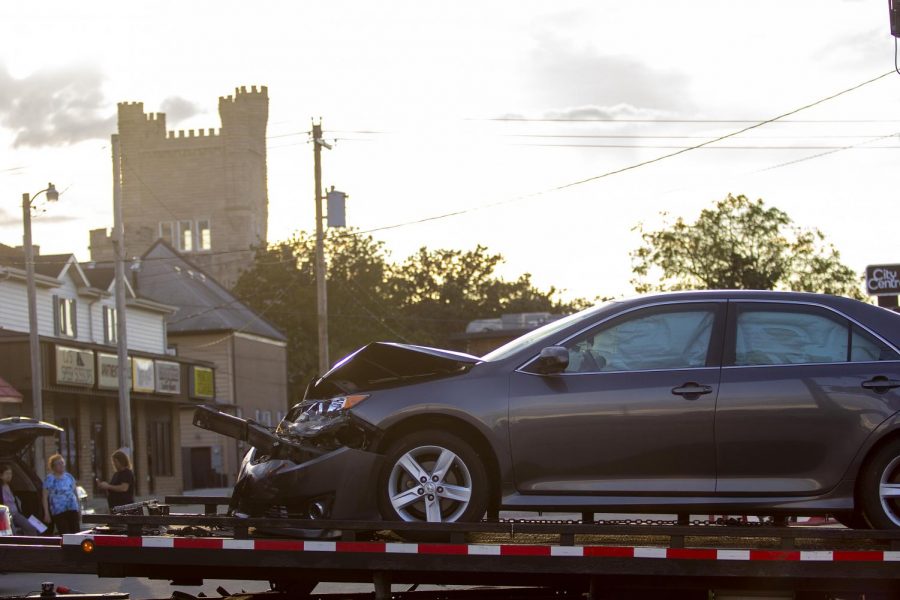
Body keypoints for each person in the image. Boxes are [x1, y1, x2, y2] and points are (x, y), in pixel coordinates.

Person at [42, 454, 81, 534]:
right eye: (59, 463)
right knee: (65, 533)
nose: (62, 465)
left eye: (62, 463)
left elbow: (75, 493)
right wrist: (46, 513)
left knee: (76, 533)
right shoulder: (49, 479)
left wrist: (79, 509)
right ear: (53, 466)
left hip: (72, 508)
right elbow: (44, 497)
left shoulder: (69, 477)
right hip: (59, 511)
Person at [0, 462, 40, 535]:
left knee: (30, 527)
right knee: (12, 533)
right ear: (1, 475)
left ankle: (31, 545)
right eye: (7, 474)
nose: (9, 476)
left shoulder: (11, 486)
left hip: (15, 513)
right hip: (4, 515)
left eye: (10, 473)